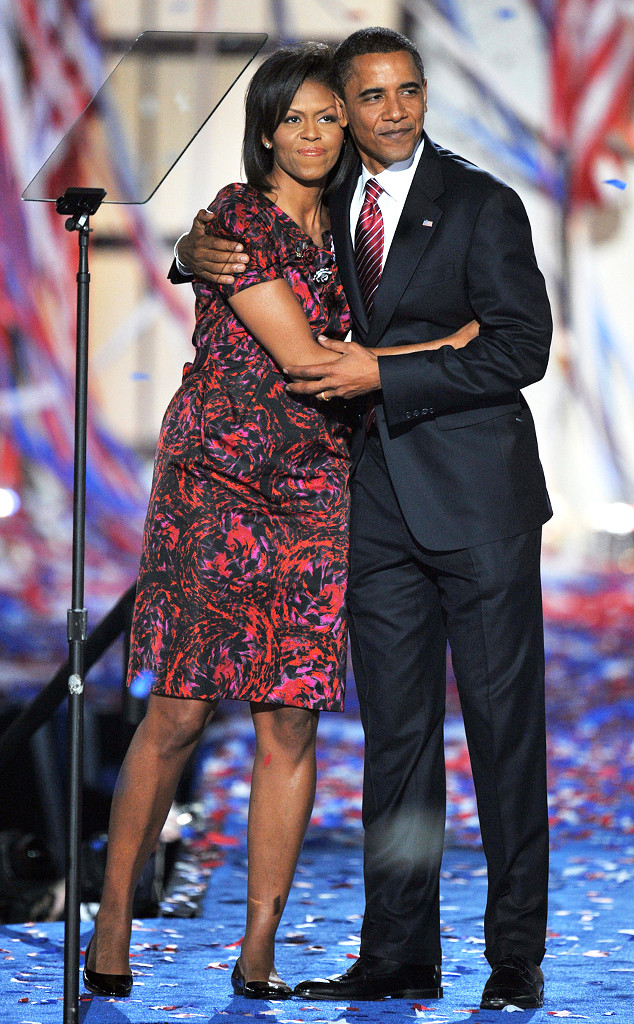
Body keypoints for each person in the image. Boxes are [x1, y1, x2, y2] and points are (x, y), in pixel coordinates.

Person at [84, 41, 474, 1005]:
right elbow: (305, 359)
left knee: (290, 719)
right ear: (263, 129)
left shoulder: (353, 223)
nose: (312, 132)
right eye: (293, 117)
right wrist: (457, 343)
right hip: (214, 484)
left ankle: (259, 946)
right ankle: (115, 916)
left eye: (327, 116)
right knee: (177, 711)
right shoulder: (235, 220)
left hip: (315, 492)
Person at [174, 27, 553, 1012]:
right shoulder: (324, 199)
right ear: (340, 109)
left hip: (479, 505)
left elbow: (521, 346)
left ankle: (513, 955)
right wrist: (187, 250)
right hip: (374, 507)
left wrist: (383, 368)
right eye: (367, 97)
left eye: (406, 92)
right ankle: (398, 951)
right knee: (396, 744)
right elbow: (248, 249)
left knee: (503, 737)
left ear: (421, 96)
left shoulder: (481, 202)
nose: (390, 112)